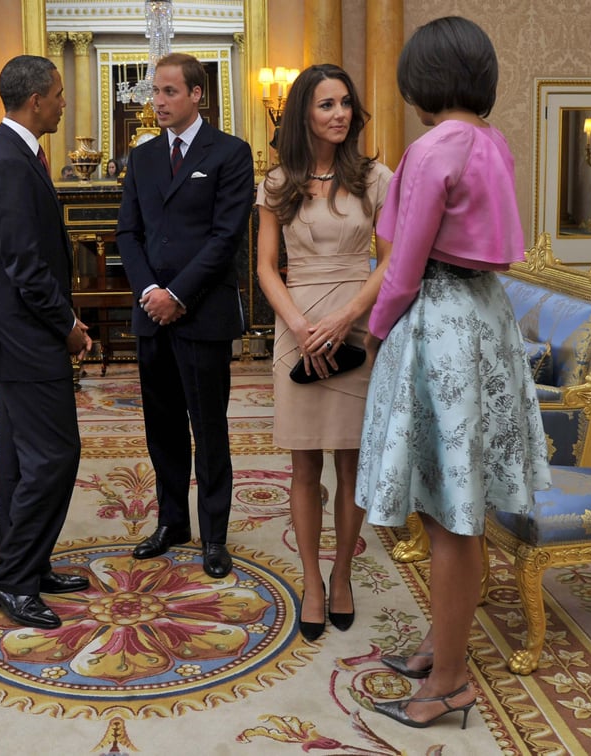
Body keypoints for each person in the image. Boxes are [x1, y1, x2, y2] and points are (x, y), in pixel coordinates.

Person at [355, 17, 551, 728]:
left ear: (422, 79)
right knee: (457, 507)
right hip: (485, 318)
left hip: (438, 322)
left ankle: (448, 679)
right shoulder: (493, 143)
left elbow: (402, 267)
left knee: (448, 516)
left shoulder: (431, 146)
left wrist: (374, 333)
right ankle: (442, 651)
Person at [255, 64, 392, 642]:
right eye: (325, 105)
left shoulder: (376, 178)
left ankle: (342, 576)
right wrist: (299, 323)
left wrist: (345, 318)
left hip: (354, 327)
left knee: (352, 463)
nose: (338, 114)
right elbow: (265, 266)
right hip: (298, 330)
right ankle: (312, 580)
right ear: (303, 115)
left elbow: (391, 262)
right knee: (305, 464)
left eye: (344, 104)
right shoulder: (277, 182)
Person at [116, 52, 254, 579]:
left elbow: (225, 238)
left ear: (198, 94)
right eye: (155, 93)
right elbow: (128, 234)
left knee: (209, 428)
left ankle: (214, 536)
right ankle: (172, 522)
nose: (157, 102)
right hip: (151, 314)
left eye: (169, 92)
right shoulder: (143, 157)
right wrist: (151, 289)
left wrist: (177, 293)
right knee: (163, 428)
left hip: (202, 315)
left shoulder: (231, 153)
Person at [0, 55, 92, 630]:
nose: (65, 103)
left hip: (19, 334)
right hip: (27, 336)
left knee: (19, 461)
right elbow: (26, 266)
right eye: (60, 94)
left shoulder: (13, 154)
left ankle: (28, 564)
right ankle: (15, 581)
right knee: (54, 457)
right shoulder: (11, 164)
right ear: (36, 100)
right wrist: (67, 326)